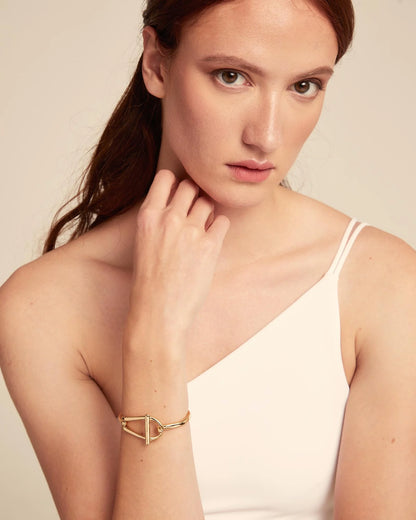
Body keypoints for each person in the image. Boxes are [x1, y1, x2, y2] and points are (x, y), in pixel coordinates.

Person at [0, 0, 415, 518]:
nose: (266, 135)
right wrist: (155, 334)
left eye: (304, 86)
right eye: (231, 76)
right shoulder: (43, 307)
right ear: (157, 64)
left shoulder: (380, 282)